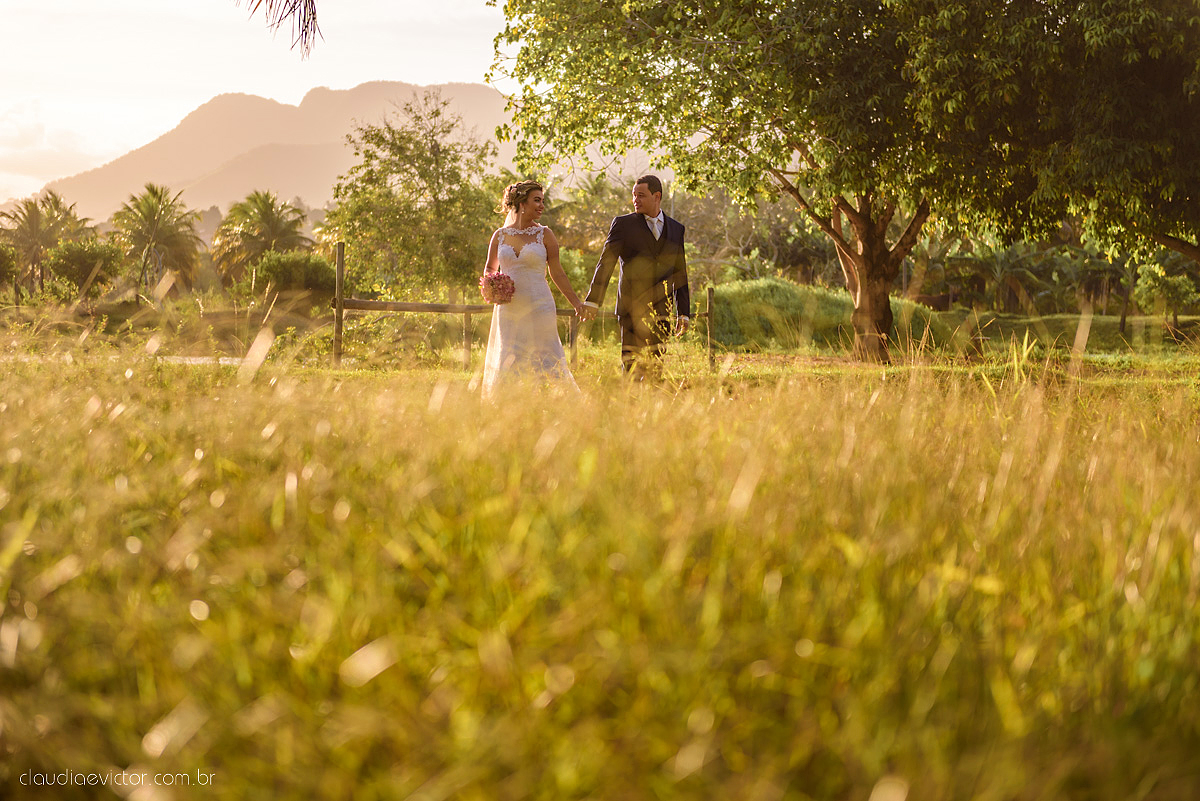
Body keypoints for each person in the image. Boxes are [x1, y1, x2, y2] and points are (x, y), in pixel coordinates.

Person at [480, 180, 584, 399]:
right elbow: (490, 267)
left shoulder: (545, 235)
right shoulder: (499, 235)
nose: (542, 206)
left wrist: (576, 302)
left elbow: (558, 273)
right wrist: (492, 285)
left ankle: (557, 403)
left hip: (540, 305)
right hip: (509, 308)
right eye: (537, 200)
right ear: (521, 203)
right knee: (511, 355)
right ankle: (511, 405)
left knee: (547, 356)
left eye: (543, 201)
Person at [580, 175, 690, 378]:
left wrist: (684, 312)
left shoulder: (676, 229)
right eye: (633, 195)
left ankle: (651, 408)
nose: (635, 200)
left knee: (656, 369)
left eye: (641, 195)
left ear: (657, 196)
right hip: (631, 309)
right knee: (631, 369)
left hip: (662, 310)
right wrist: (593, 300)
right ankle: (629, 408)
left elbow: (679, 272)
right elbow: (606, 263)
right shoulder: (623, 225)